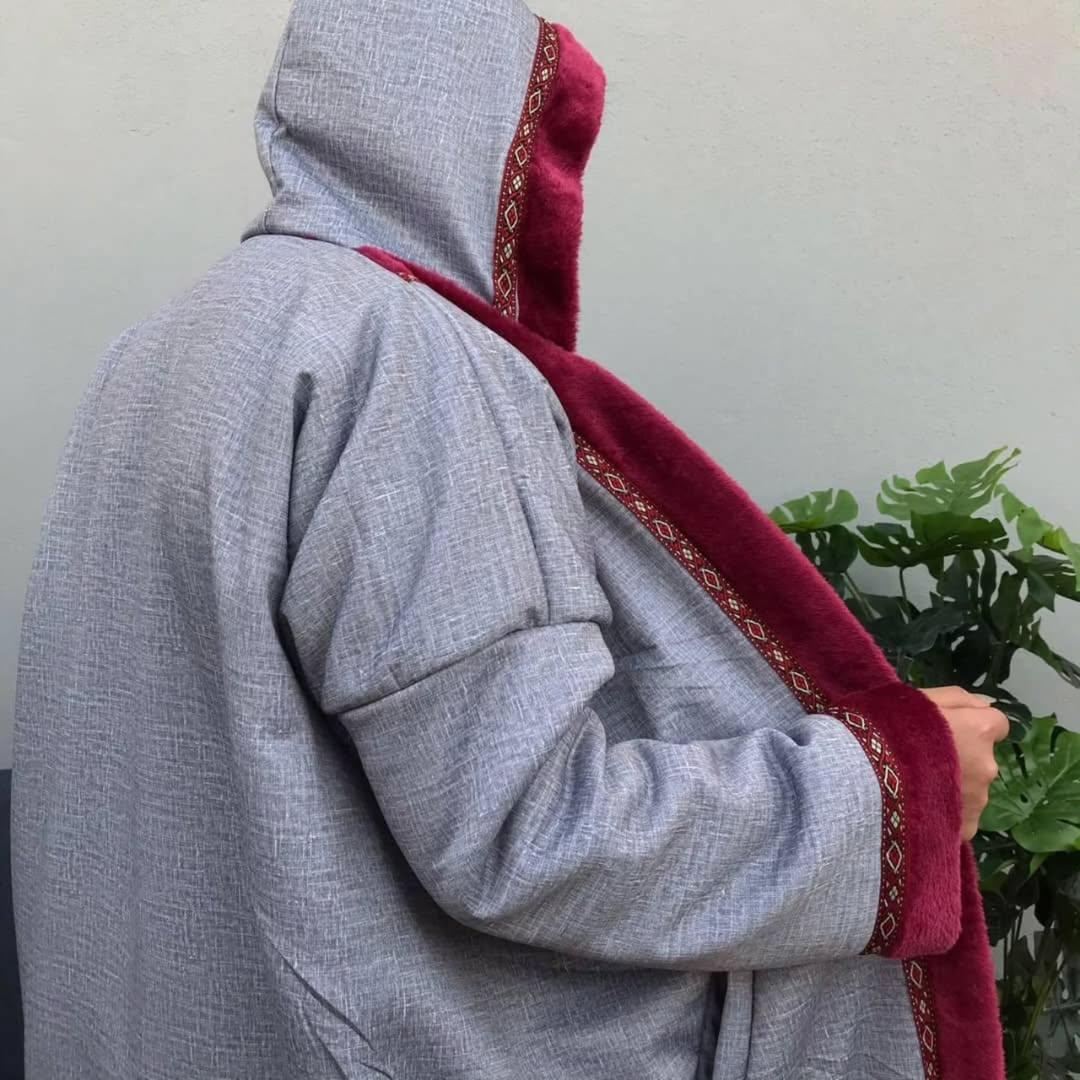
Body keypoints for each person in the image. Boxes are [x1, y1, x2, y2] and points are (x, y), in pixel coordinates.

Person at [12, 1, 1008, 1077]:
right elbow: (525, 831)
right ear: (475, 124)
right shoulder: (404, 354)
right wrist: (889, 790)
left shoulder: (168, 342)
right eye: (550, 131)